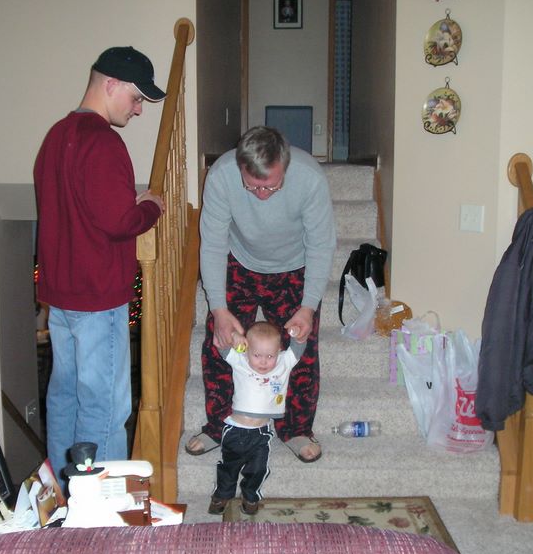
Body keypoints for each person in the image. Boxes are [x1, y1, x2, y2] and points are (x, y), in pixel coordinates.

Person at [34, 46, 165, 488]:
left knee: (65, 398)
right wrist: (150, 207)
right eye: (136, 97)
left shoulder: (55, 137)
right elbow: (119, 222)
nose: (138, 109)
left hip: (61, 297)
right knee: (105, 406)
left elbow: (78, 212)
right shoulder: (104, 142)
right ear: (111, 84)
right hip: (98, 298)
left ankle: (64, 494)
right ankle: (101, 504)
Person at [188, 126, 336, 463]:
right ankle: (220, 425)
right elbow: (212, 244)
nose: (262, 194)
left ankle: (296, 429)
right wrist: (218, 309)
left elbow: (321, 245)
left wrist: (309, 307)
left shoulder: (310, 179)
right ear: (241, 166)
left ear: (285, 165)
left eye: (271, 185)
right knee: (221, 341)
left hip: (293, 267)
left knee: (301, 347)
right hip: (240, 262)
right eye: (252, 185)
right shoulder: (222, 176)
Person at [207, 321, 306, 516]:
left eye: (270, 356)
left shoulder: (283, 363)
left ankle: (250, 495)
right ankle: (223, 494)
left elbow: (298, 348)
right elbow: (220, 344)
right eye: (257, 355)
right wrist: (233, 336)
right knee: (229, 466)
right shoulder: (240, 360)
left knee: (258, 469)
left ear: (279, 351)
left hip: (261, 433)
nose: (263, 362)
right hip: (235, 430)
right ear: (246, 351)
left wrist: (297, 333)